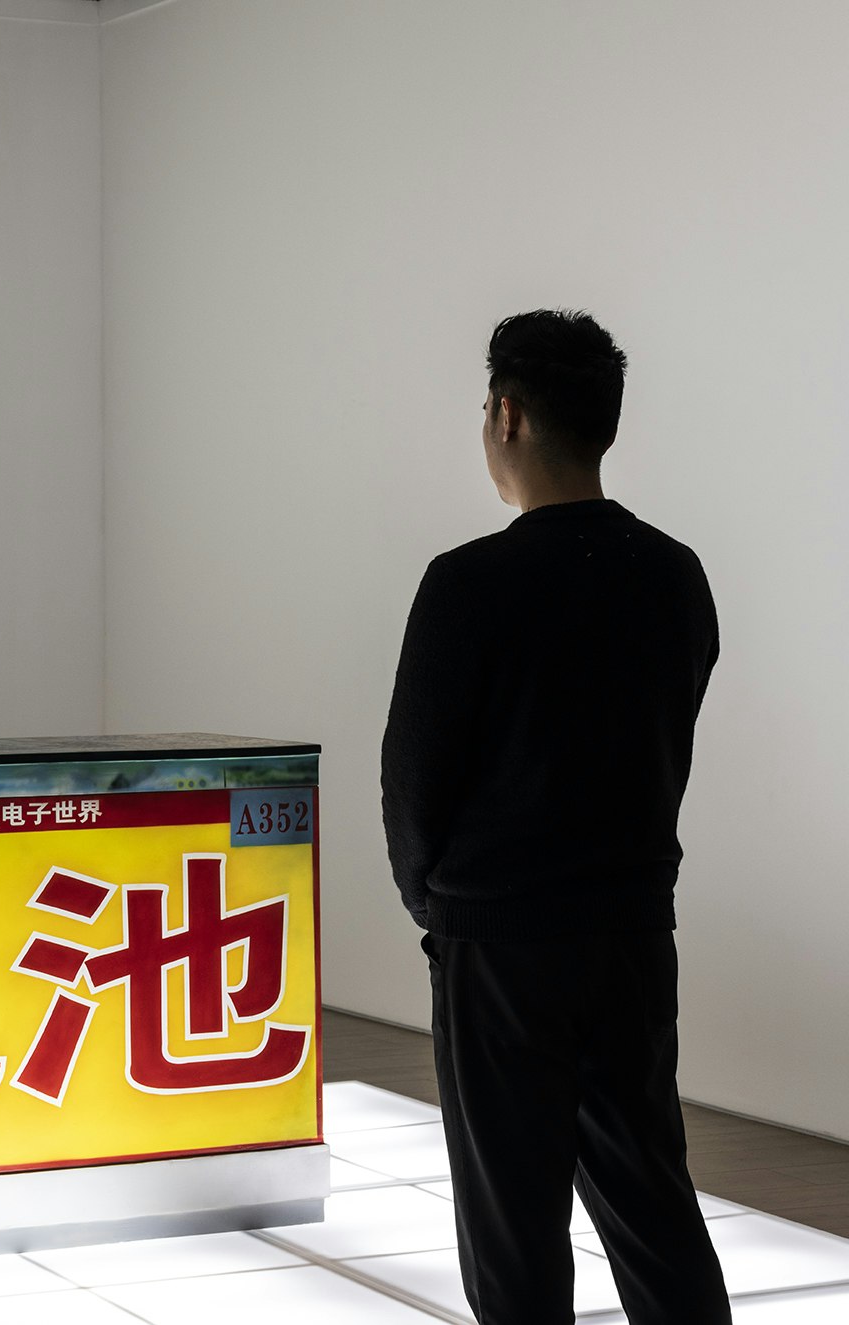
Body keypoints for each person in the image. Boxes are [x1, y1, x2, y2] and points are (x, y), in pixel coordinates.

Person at [381, 310, 729, 1324]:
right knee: (649, 1202)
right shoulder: (674, 574)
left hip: (497, 943)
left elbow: (412, 779)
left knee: (511, 1226)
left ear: (505, 414)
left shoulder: (466, 584)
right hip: (628, 931)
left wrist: (435, 905)